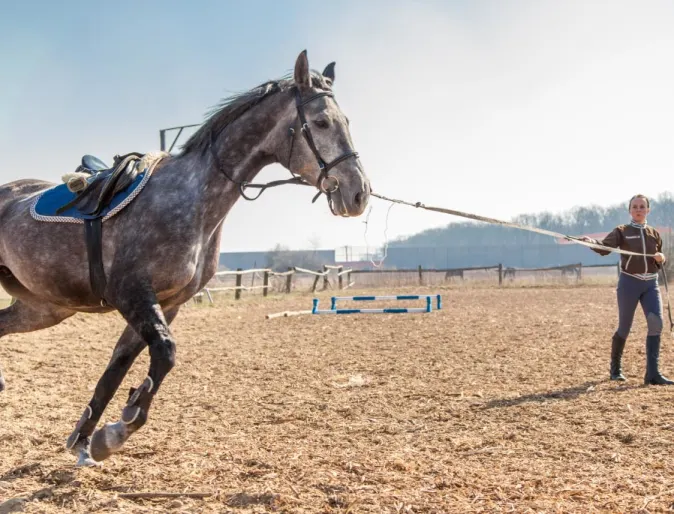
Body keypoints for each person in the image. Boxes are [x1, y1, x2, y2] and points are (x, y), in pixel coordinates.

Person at [580, 194, 673, 385]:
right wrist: (591, 243)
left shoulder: (654, 233)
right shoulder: (622, 231)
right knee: (625, 327)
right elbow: (605, 249)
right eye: (635, 207)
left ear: (648, 210)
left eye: (642, 207)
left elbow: (657, 260)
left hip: (651, 284)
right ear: (630, 210)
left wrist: (661, 258)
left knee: (656, 324)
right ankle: (615, 370)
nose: (638, 210)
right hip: (629, 283)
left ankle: (653, 374)